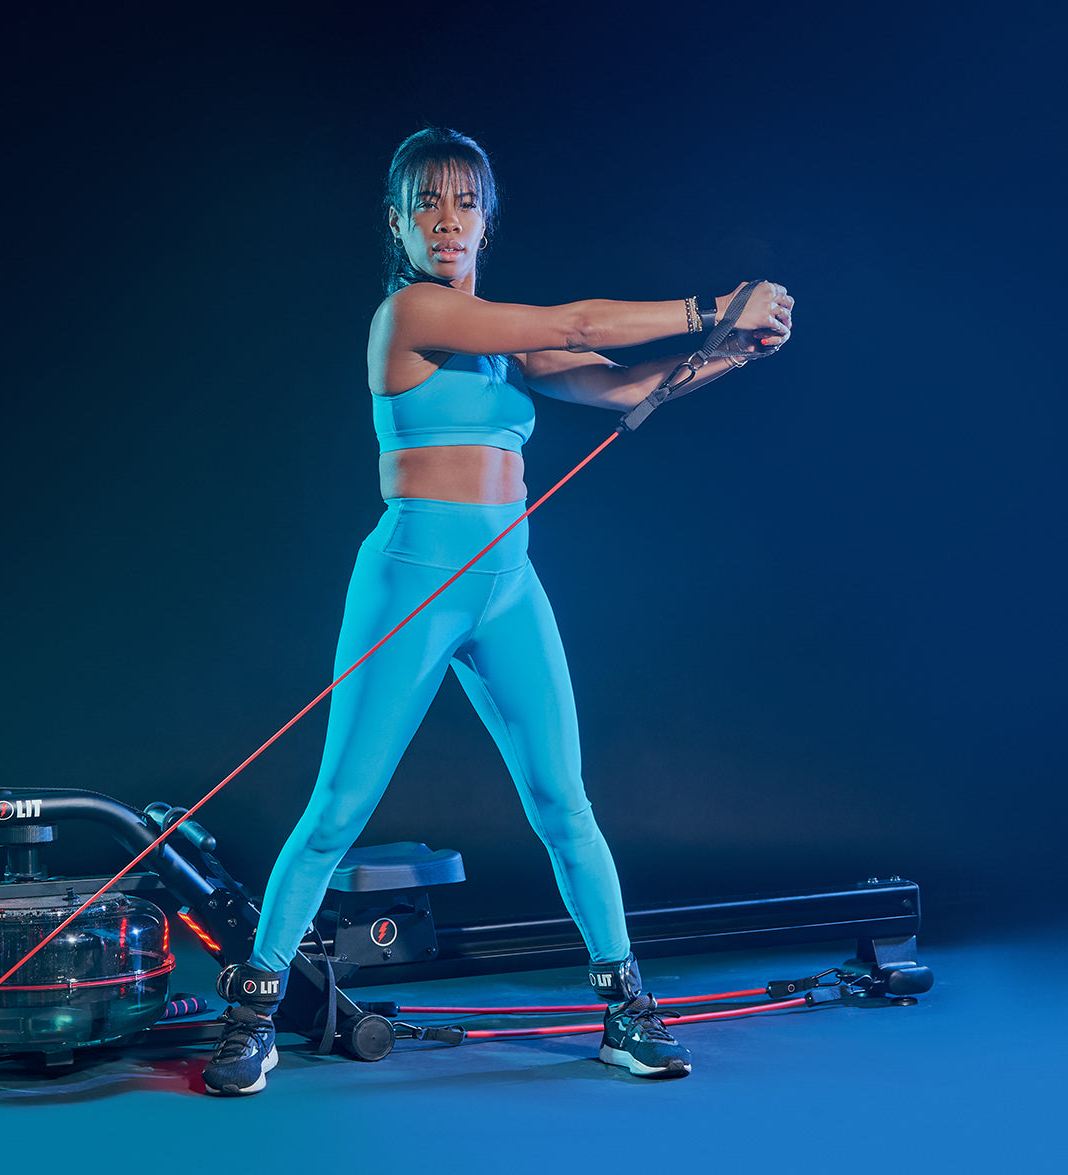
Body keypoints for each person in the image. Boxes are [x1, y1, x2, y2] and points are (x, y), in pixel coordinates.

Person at [203, 127, 793, 1095]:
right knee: (338, 807)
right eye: (426, 203)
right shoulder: (411, 313)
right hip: (411, 581)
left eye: (464, 203)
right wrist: (710, 304)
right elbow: (582, 324)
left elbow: (623, 383)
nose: (447, 221)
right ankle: (252, 1011)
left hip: (506, 581)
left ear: (485, 218)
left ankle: (624, 1007)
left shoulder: (494, 344)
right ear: (394, 221)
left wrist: (730, 349)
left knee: (563, 799)